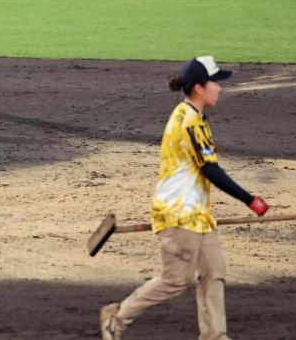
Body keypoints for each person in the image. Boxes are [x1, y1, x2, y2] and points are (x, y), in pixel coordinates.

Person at [100, 56, 270, 340]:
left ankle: (215, 336)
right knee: (175, 281)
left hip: (198, 215)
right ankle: (116, 317)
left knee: (213, 273)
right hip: (178, 215)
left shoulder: (195, 117)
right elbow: (210, 169)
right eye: (214, 82)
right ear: (198, 88)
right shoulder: (188, 123)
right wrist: (249, 199)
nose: (219, 87)